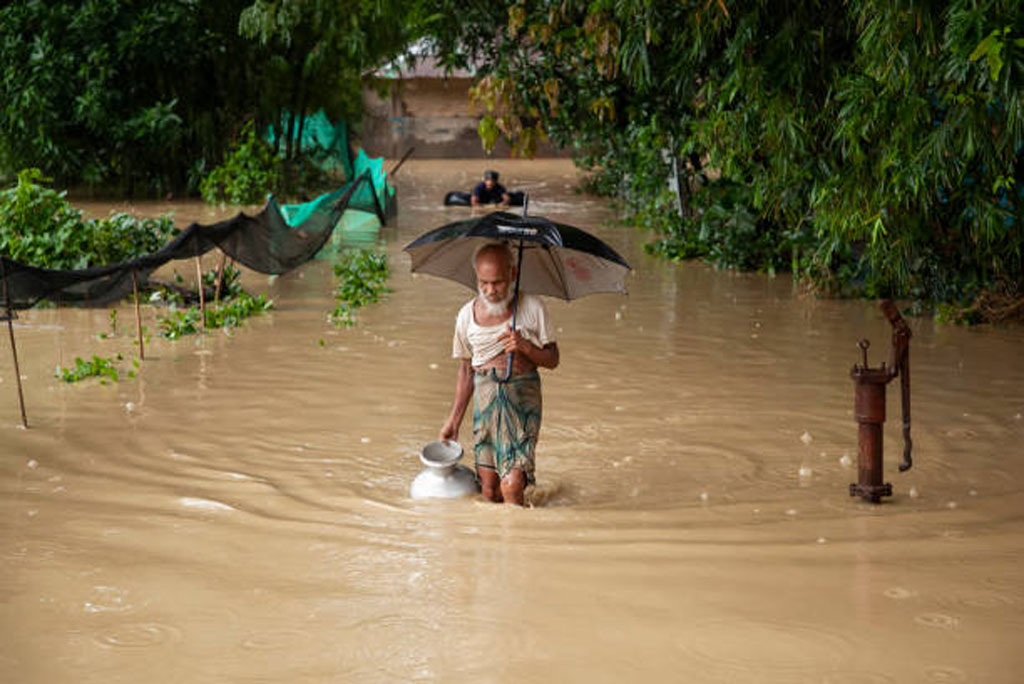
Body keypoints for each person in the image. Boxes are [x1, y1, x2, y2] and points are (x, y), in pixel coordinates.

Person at [439, 243, 559, 505]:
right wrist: (453, 422)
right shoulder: (466, 316)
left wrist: (526, 347)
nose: (491, 290)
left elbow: (553, 359)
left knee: (512, 487)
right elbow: (465, 372)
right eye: (484, 283)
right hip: (486, 409)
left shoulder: (532, 308)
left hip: (522, 407)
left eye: (498, 282)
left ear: (514, 274)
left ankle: (517, 541)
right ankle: (495, 543)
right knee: (490, 490)